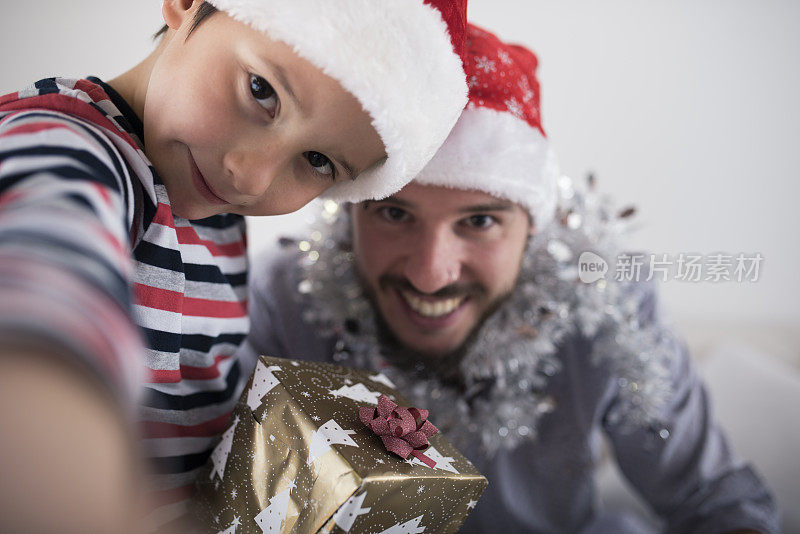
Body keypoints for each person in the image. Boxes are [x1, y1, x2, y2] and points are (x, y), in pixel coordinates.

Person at [242, 23, 780, 533]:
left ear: (534, 229)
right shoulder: (283, 299)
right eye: (393, 213)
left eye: (479, 221)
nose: (431, 275)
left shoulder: (606, 307)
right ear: (349, 216)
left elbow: (718, 504)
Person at [0, 0, 469, 531]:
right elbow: (40, 322)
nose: (251, 178)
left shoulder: (209, 207)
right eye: (261, 91)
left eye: (317, 162)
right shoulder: (69, 153)